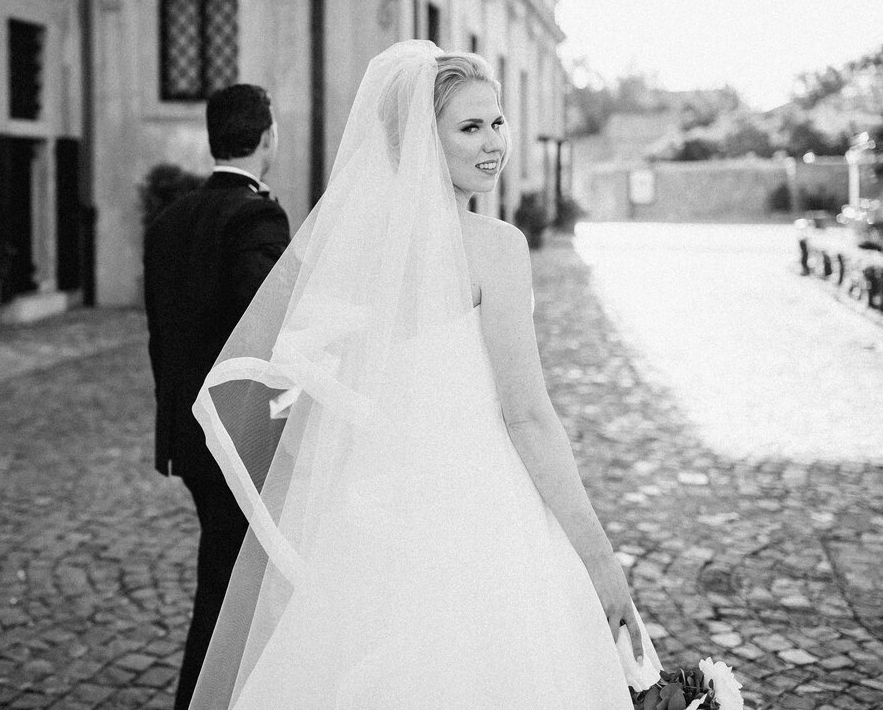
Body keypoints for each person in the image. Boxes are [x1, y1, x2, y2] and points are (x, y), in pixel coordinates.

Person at [187, 41, 664, 708]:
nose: (493, 141)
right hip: (482, 509)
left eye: (497, 121)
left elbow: (320, 390)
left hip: (376, 510)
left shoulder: (354, 259)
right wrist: (600, 560)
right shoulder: (496, 249)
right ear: (420, 140)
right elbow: (525, 415)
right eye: (469, 127)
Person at [143, 83, 291, 710]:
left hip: (187, 434)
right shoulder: (256, 217)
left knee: (231, 574)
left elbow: (166, 332)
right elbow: (268, 323)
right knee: (228, 586)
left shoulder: (170, 219)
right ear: (265, 137)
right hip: (240, 436)